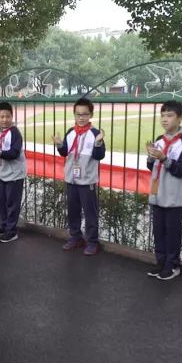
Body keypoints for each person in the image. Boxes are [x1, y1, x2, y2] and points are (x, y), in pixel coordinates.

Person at [144, 101, 182, 281]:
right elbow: (152, 167)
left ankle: (172, 265)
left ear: (180, 118)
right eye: (163, 115)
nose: (165, 120)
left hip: (174, 197)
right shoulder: (160, 139)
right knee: (158, 230)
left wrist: (164, 158)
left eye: (170, 115)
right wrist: (151, 157)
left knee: (172, 232)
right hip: (158, 194)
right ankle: (161, 261)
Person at [54, 97, 106, 256]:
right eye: (78, 114)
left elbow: (99, 156)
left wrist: (98, 143)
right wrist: (60, 145)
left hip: (87, 180)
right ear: (74, 115)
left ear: (91, 115)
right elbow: (65, 153)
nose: (81, 118)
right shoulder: (71, 132)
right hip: (71, 178)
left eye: (85, 114)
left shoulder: (95, 133)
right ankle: (76, 237)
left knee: (90, 212)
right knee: (73, 210)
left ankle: (92, 242)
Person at [0, 102, 26, 243]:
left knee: (12, 203)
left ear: (12, 117)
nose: (5, 119)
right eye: (1, 116)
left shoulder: (15, 133)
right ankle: (4, 226)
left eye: (7, 116)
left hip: (14, 175)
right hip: (2, 173)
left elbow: (14, 153)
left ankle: (12, 230)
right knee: (1, 202)